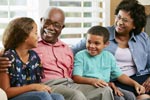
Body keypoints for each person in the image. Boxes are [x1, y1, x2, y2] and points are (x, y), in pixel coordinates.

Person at [0, 7, 114, 100]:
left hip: (70, 83)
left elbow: (84, 63)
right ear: (41, 21)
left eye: (56, 25)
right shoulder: (32, 47)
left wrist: (105, 81)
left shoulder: (67, 49)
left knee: (105, 91)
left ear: (62, 27)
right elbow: (12, 45)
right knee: (76, 95)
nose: (50, 28)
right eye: (47, 22)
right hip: (50, 84)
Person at [72, 0, 150, 99]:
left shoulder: (143, 38)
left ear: (135, 25)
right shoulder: (101, 35)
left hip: (137, 77)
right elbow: (72, 51)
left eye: (125, 20)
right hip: (115, 80)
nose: (119, 22)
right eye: (119, 17)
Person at [73, 25, 145, 100]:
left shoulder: (109, 56)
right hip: (88, 87)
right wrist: (93, 81)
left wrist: (135, 84)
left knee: (130, 96)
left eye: (96, 43)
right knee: (119, 99)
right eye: (89, 42)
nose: (91, 46)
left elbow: (120, 76)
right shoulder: (81, 55)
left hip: (105, 86)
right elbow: (76, 78)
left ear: (106, 44)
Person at [0, 17, 64, 100]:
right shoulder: (7, 58)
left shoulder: (34, 57)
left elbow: (38, 86)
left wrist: (37, 87)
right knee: (42, 96)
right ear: (24, 37)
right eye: (35, 33)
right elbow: (5, 92)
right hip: (13, 97)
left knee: (58, 97)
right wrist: (33, 87)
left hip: (30, 95)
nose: (38, 36)